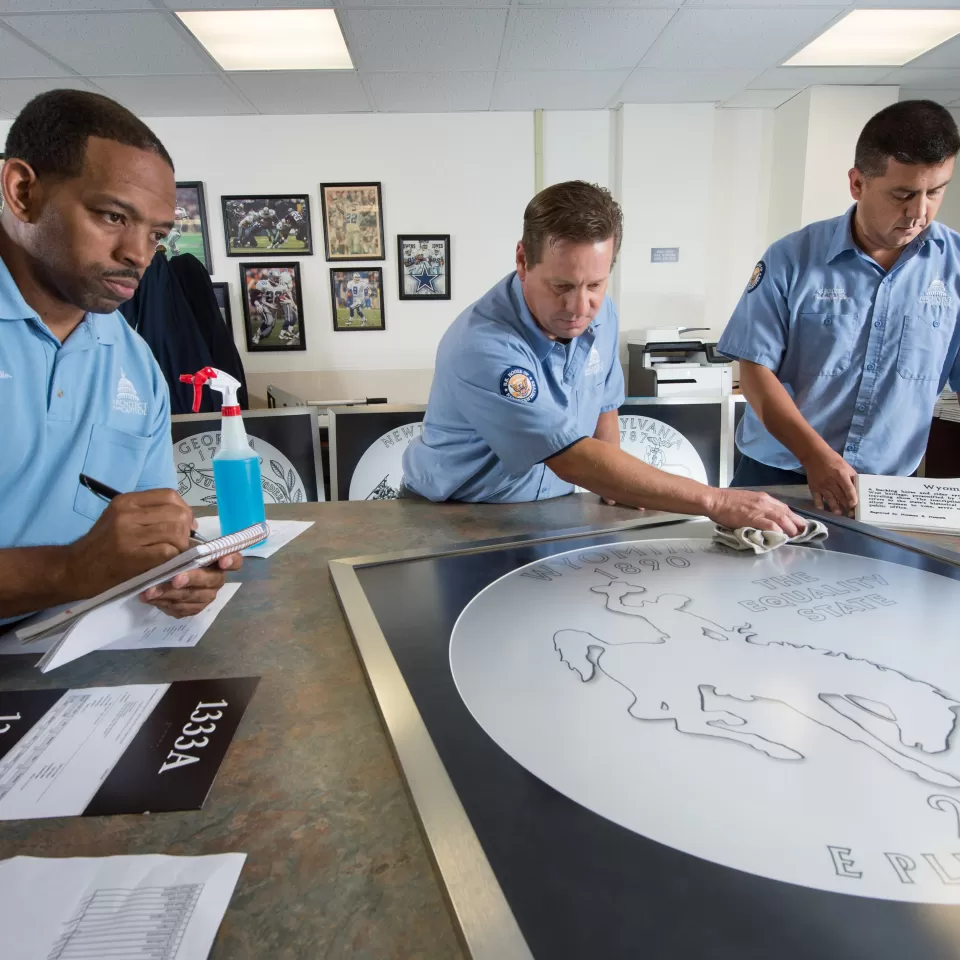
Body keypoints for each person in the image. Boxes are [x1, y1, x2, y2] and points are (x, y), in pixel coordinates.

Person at [401, 180, 803, 534]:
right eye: (561, 285)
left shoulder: (602, 314)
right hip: (456, 516)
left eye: (595, 283)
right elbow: (572, 458)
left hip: (548, 509)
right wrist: (717, 502)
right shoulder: (482, 345)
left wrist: (613, 490)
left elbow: (604, 407)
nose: (580, 306)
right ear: (523, 261)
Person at [0, 89, 240, 622]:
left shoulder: (133, 363)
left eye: (156, 234)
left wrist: (179, 570)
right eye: (112, 216)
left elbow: (149, 532)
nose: (138, 255)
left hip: (74, 647)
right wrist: (68, 571)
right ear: (22, 191)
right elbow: (81, 567)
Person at [719, 100, 960, 514]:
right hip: (777, 475)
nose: (919, 212)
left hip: (885, 490)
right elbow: (755, 372)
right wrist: (814, 455)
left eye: (935, 192)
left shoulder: (955, 266)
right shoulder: (792, 258)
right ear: (857, 184)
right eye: (902, 194)